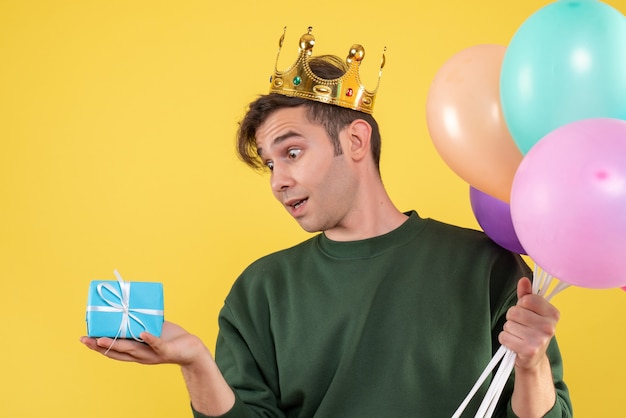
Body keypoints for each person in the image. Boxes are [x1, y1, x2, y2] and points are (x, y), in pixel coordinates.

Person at [80, 28, 572, 417]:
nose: (278, 180)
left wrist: (530, 365)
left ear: (356, 141)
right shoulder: (261, 290)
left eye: (292, 152)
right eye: (270, 164)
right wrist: (195, 362)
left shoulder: (487, 267)